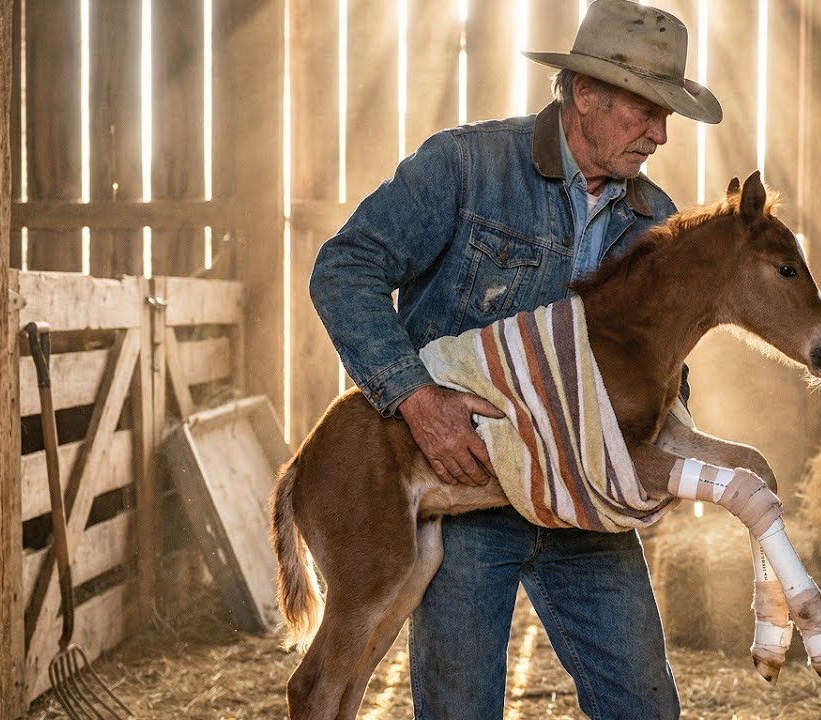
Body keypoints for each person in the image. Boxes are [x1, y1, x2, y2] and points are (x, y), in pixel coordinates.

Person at [309, 1, 722, 717]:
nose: (660, 134)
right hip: (466, 495)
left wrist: (658, 450)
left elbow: (664, 368)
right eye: (646, 110)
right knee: (461, 709)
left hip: (585, 510)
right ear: (585, 94)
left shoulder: (656, 220)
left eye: (668, 115)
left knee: (646, 708)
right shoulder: (466, 167)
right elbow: (344, 269)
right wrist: (415, 397)